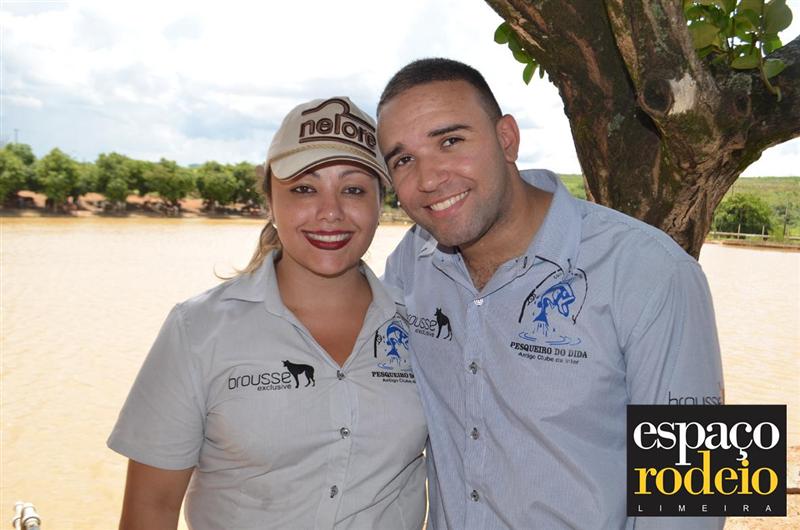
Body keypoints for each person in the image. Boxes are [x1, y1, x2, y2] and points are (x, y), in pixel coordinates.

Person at [377, 58, 724, 529]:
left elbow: (700, 496)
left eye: (450, 141)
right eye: (403, 159)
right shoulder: (411, 263)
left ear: (507, 139)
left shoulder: (658, 271)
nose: (428, 179)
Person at [108, 96, 428, 530]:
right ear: (270, 202)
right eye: (304, 189)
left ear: (380, 203)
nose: (330, 212)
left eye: (353, 189)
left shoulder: (422, 327)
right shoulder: (197, 330)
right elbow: (151, 510)